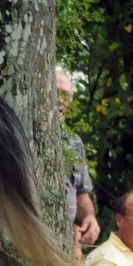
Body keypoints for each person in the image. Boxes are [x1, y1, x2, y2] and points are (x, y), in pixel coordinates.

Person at [56, 68, 101, 254]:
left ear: (70, 101)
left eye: (64, 94)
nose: (59, 98)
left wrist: (89, 217)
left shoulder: (74, 143)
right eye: (54, 91)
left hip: (67, 242)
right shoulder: (26, 134)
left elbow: (81, 195)